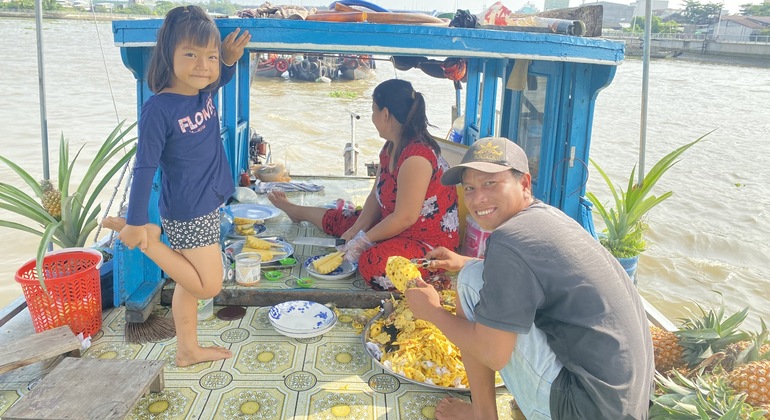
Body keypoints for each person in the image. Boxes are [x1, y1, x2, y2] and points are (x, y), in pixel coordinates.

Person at [405, 137, 654, 419]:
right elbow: (529, 272)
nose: (477, 199)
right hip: (623, 406)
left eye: (490, 184)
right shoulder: (547, 217)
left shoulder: (509, 240)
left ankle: (483, 415)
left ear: (524, 183)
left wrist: (433, 311)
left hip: (581, 409)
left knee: (470, 282)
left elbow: (493, 353)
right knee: (475, 271)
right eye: (470, 188)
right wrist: (464, 260)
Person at [102, 5, 251, 367]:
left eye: (210, 56)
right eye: (191, 54)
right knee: (209, 286)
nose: (203, 65)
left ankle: (187, 350)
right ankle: (145, 240)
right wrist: (137, 220)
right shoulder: (159, 109)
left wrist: (227, 62)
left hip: (207, 201)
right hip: (188, 209)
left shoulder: (202, 90)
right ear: (167, 55)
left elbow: (220, 79)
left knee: (189, 284)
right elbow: (145, 166)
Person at [268, 79, 459, 289]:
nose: (372, 118)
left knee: (372, 262)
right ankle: (296, 211)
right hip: (395, 224)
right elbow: (376, 195)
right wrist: (357, 230)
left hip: (426, 242)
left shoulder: (417, 158)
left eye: (373, 111)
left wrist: (364, 240)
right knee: (346, 223)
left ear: (385, 114)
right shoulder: (391, 147)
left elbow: (405, 217)